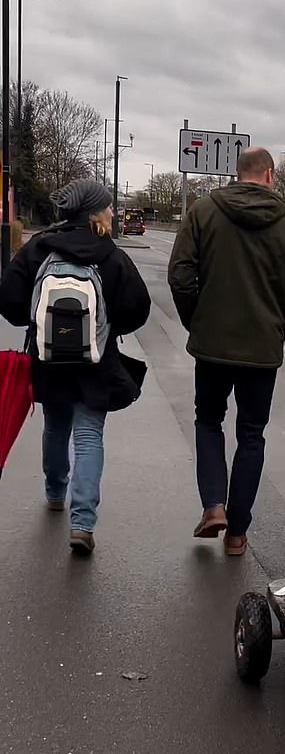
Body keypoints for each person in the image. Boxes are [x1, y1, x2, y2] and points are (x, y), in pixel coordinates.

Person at [168, 146, 285, 555]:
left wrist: (197, 320)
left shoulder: (203, 211)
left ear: (238, 173)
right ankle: (237, 533)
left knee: (208, 420)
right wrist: (273, 322)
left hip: (212, 346)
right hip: (261, 351)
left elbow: (180, 276)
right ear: (269, 175)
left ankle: (214, 505)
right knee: (251, 435)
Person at [0, 179, 151, 556]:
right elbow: (139, 306)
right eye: (109, 206)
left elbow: (8, 299)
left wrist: (36, 323)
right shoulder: (109, 253)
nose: (114, 212)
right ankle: (82, 523)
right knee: (88, 437)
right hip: (95, 362)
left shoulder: (39, 247)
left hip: (49, 359)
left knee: (55, 425)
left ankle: (55, 492)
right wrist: (107, 326)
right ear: (94, 213)